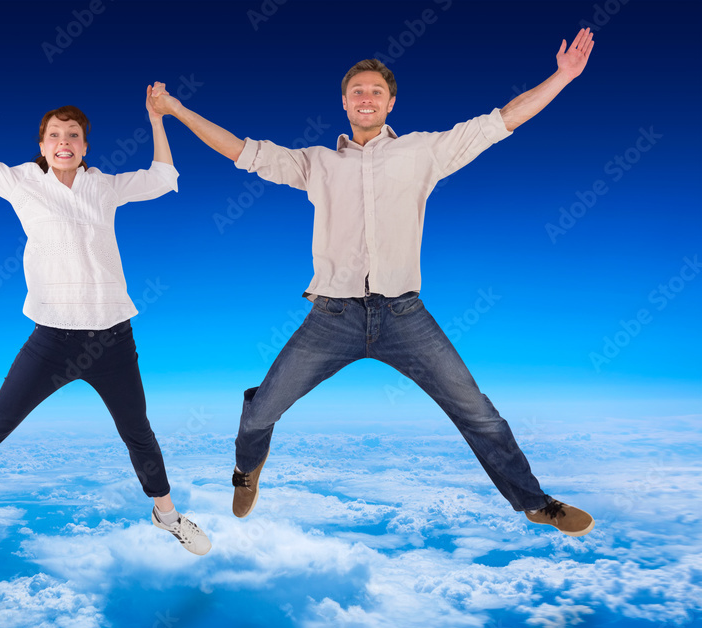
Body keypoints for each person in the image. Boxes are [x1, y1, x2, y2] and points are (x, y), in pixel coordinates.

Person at [148, 28, 597, 536]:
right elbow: (241, 151)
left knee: (478, 413)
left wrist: (562, 77)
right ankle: (247, 469)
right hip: (332, 317)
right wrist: (176, 110)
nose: (366, 97)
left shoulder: (424, 152)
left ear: (390, 103)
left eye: (376, 91)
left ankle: (535, 502)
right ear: (344, 103)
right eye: (357, 91)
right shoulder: (316, 162)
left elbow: (501, 122)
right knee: (261, 411)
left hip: (405, 316)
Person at [0, 66, 211, 575]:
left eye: (73, 135)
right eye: (55, 135)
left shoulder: (103, 186)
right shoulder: (22, 183)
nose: (64, 142)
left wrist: (157, 117)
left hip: (113, 338)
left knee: (138, 431)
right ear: (42, 145)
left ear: (85, 147)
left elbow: (164, 178)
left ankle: (167, 515)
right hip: (53, 340)